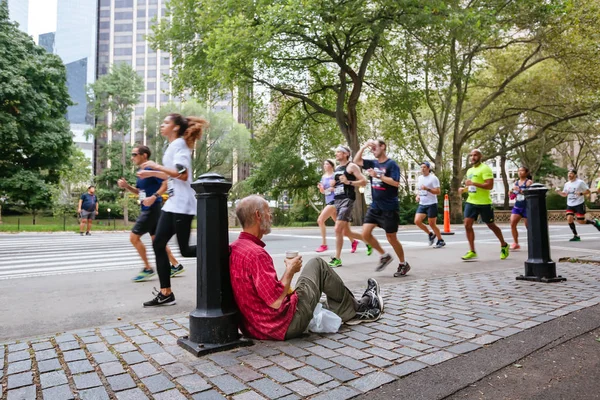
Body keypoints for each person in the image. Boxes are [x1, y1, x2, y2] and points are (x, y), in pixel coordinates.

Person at [229, 195, 384, 341]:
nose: (271, 216)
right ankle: (358, 310)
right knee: (317, 264)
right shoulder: (256, 254)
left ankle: (354, 306)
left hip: (255, 327)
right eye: (268, 212)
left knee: (318, 300)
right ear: (258, 215)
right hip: (282, 325)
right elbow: (275, 301)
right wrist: (290, 270)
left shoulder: (235, 248)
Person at [137, 113, 208, 307]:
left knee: (184, 250)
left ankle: (219, 251)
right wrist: (152, 172)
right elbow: (172, 175)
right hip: (173, 203)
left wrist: (155, 165)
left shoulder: (180, 147)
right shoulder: (173, 147)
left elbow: (182, 175)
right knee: (158, 243)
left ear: (176, 127)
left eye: (166, 122)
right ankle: (165, 292)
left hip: (183, 205)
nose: (162, 125)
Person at [117, 145, 184, 282]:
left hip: (152, 209)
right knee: (157, 240)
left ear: (144, 155)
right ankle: (176, 265)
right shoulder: (141, 171)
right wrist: (127, 186)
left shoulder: (150, 168)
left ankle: (148, 268)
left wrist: (154, 196)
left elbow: (166, 182)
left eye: (134, 154)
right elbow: (139, 192)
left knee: (134, 237)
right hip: (148, 208)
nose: (132, 157)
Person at [354, 139, 410, 277]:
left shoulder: (391, 164)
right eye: (371, 149)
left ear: (383, 147)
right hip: (375, 206)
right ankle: (384, 256)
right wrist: (364, 146)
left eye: (375, 147)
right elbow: (356, 160)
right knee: (365, 233)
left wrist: (378, 175)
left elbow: (395, 183)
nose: (373, 150)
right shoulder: (372, 163)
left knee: (391, 237)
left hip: (389, 207)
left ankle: (403, 264)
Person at [459, 149, 509, 261]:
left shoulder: (485, 169)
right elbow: (471, 186)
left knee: (491, 225)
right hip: (471, 201)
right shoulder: (470, 171)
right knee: (467, 225)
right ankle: (472, 251)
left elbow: (489, 185)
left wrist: (474, 183)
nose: (472, 157)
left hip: (484, 203)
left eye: (475, 155)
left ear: (480, 156)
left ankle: (504, 245)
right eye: (471, 155)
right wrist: (464, 189)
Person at [327, 146, 368, 268]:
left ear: (346, 154)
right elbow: (337, 185)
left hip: (347, 199)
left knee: (337, 229)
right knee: (346, 231)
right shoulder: (338, 168)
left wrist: (349, 182)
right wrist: (333, 185)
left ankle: (337, 258)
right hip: (338, 200)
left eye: (339, 152)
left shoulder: (352, 166)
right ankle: (368, 240)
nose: (336, 154)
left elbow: (364, 181)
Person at [315, 159, 359, 253]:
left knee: (320, 220)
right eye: (324, 164)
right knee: (342, 228)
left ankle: (324, 245)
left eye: (327, 164)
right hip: (328, 201)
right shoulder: (323, 177)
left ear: (331, 166)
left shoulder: (335, 175)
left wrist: (328, 189)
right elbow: (324, 191)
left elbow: (333, 188)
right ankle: (354, 241)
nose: (324, 165)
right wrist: (321, 189)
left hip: (335, 201)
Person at [555, 168, 600, 241]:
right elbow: (565, 194)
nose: (569, 175)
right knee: (569, 218)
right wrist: (559, 192)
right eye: (569, 173)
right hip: (570, 204)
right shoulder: (567, 184)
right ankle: (576, 235)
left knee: (581, 221)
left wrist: (581, 193)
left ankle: (594, 222)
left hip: (579, 204)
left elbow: (588, 191)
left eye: (571, 173)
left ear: (575, 175)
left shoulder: (580, 182)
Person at [414, 161, 445, 249]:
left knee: (432, 224)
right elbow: (419, 189)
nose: (422, 169)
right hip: (422, 204)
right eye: (421, 167)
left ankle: (440, 240)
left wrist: (427, 189)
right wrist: (418, 195)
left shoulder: (433, 178)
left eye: (424, 167)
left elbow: (438, 192)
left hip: (431, 204)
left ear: (428, 168)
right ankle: (430, 234)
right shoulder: (420, 178)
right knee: (417, 221)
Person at [509, 166, 533, 250]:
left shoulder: (528, 182)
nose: (520, 172)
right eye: (518, 171)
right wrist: (511, 192)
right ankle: (515, 243)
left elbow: (530, 194)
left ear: (526, 172)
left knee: (528, 226)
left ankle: (533, 242)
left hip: (527, 206)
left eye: (522, 170)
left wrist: (519, 190)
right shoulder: (516, 183)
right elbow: (512, 197)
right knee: (512, 224)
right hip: (518, 206)